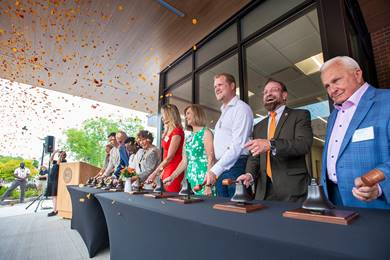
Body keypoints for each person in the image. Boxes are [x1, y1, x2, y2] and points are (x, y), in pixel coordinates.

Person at [320, 56, 390, 209]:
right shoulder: (334, 115)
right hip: (333, 198)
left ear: (357, 74)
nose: (332, 90)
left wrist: (380, 187)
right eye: (327, 86)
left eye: (336, 80)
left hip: (376, 203)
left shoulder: (387, 100)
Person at [237, 79, 313, 202]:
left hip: (292, 189)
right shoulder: (258, 126)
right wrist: (249, 175)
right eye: (265, 92)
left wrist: (271, 144)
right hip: (264, 190)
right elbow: (254, 157)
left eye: (274, 90)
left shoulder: (300, 115)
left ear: (284, 95)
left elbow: (304, 144)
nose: (268, 94)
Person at [204, 73, 253, 197]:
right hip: (223, 167)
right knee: (224, 211)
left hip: (236, 165)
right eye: (215, 87)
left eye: (220, 84)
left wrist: (214, 170)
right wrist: (215, 168)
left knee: (237, 212)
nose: (217, 89)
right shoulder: (224, 111)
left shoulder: (241, 108)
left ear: (232, 86)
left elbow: (238, 145)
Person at [164, 105, 216, 196]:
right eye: (185, 114)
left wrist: (208, 184)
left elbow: (211, 158)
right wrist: (171, 177)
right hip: (190, 180)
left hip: (203, 180)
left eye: (188, 113)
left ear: (197, 114)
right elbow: (184, 162)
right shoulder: (188, 138)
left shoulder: (206, 133)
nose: (186, 116)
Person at [145, 104, 184, 192]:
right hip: (166, 168)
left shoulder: (177, 131)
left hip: (174, 168)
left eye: (163, 114)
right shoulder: (167, 131)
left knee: (170, 196)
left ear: (169, 114)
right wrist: (162, 172)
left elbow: (169, 157)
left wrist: (154, 173)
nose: (162, 117)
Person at [46, 150, 67, 216]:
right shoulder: (56, 161)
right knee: (53, 196)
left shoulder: (64, 161)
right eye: (60, 154)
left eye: (61, 154)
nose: (60, 155)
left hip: (56, 179)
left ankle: (55, 210)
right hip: (52, 179)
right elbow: (50, 160)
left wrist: (60, 156)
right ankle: (55, 209)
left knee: (55, 195)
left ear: (64, 155)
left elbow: (58, 163)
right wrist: (54, 152)